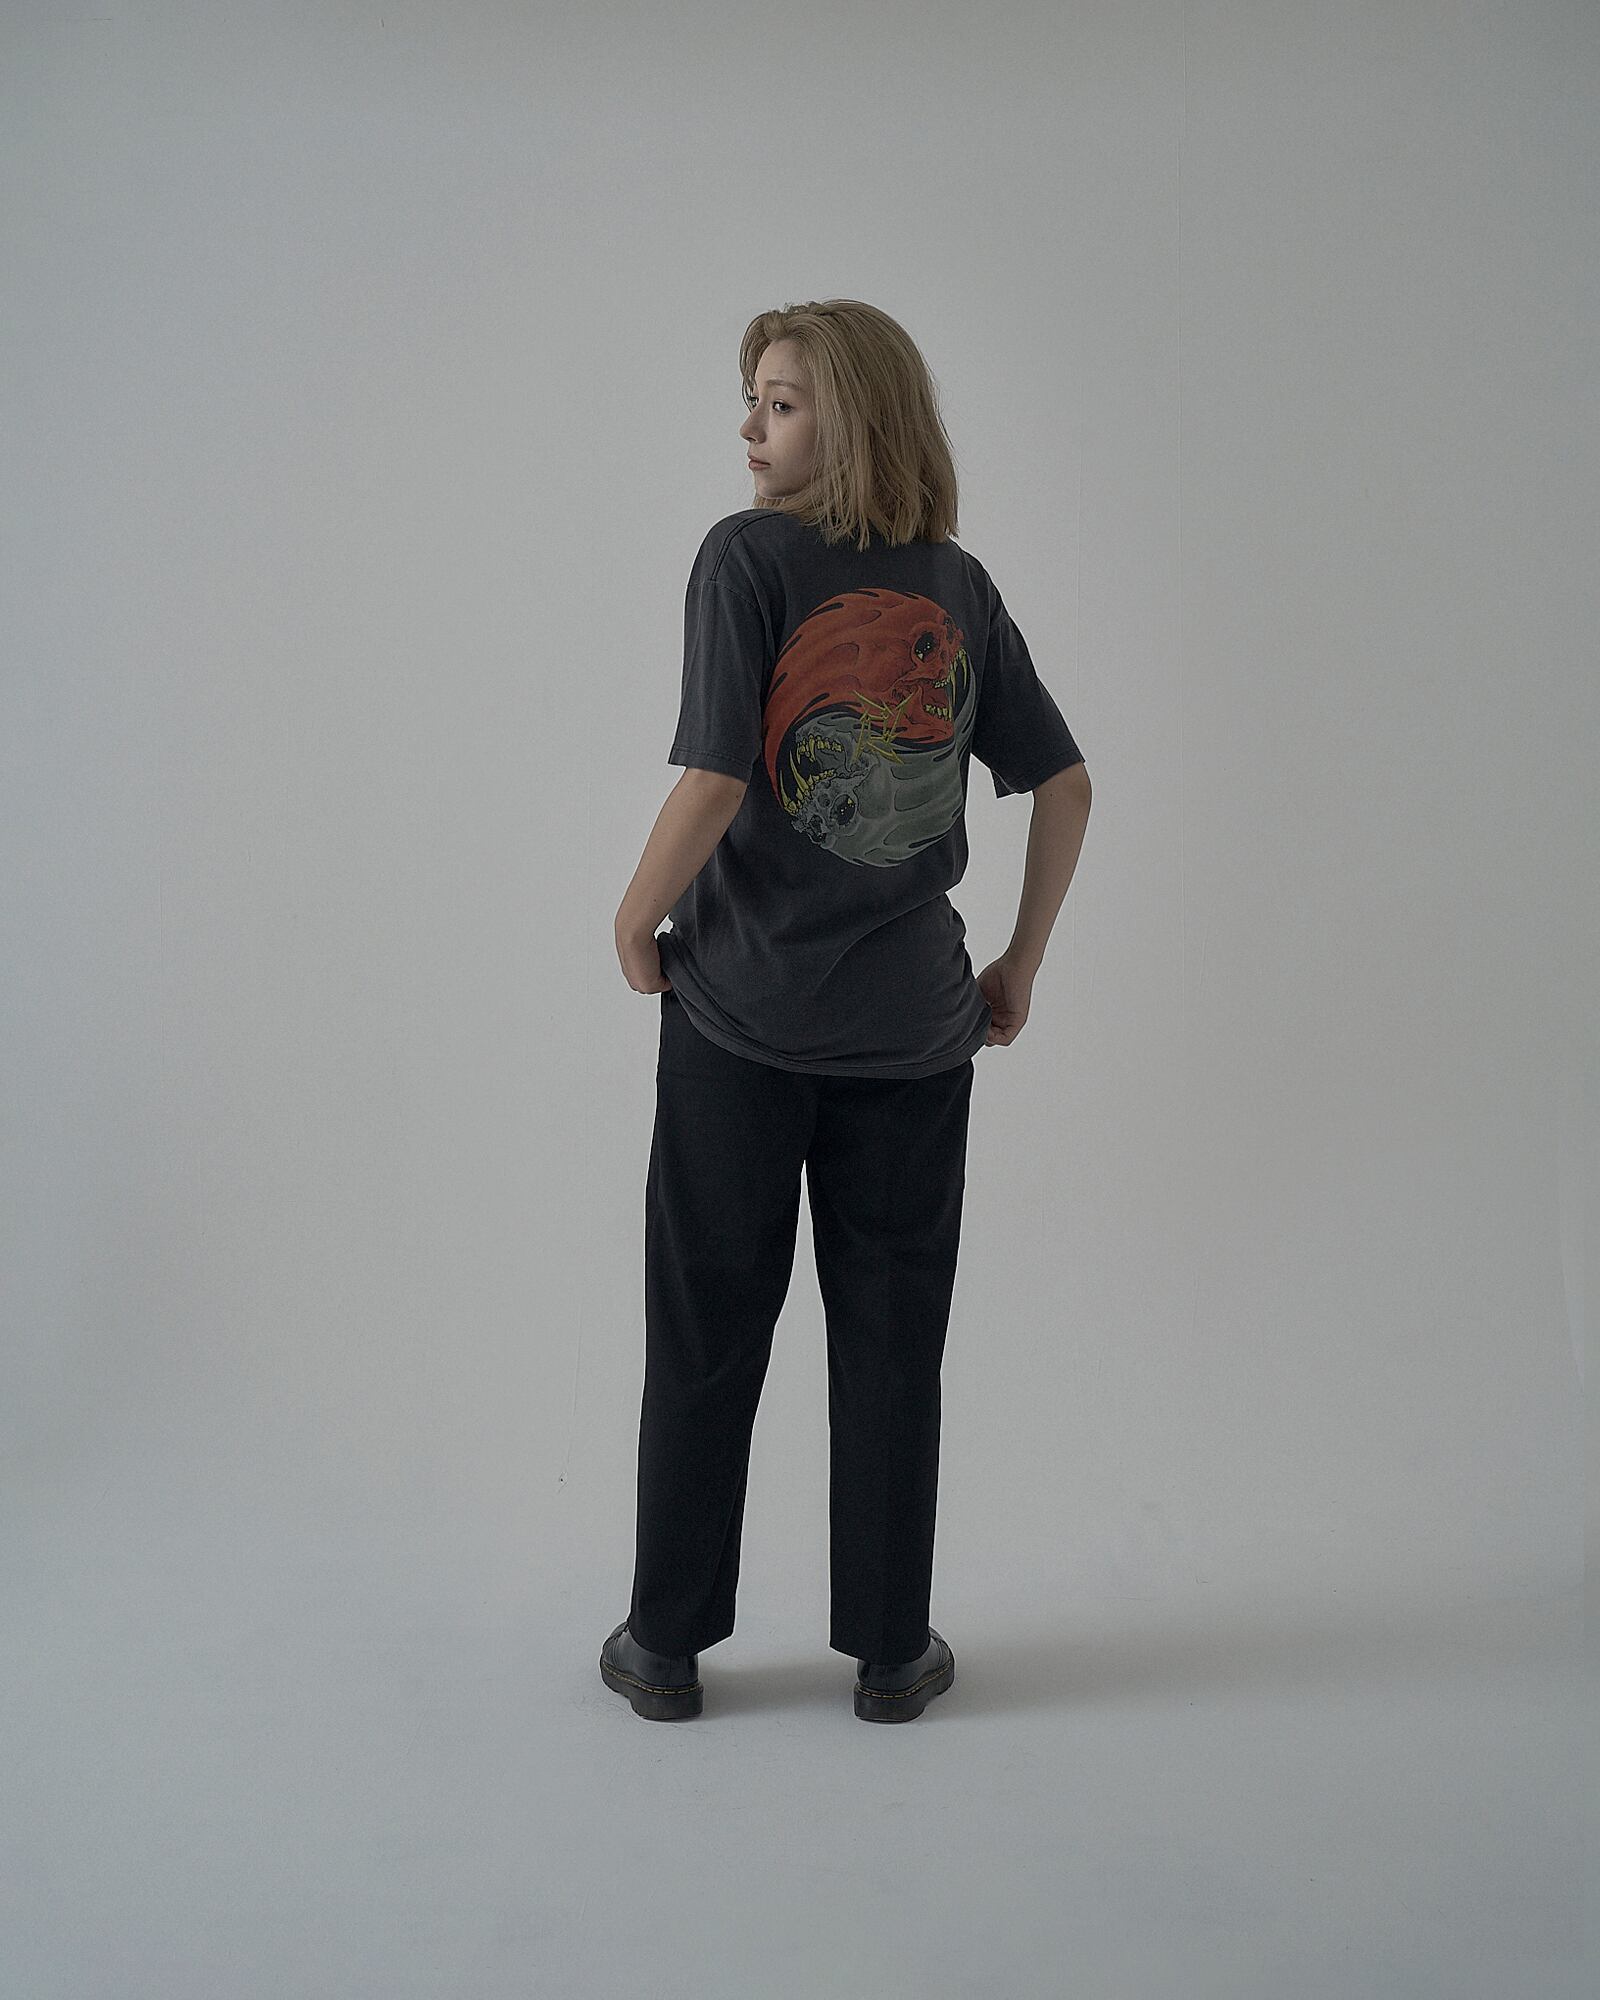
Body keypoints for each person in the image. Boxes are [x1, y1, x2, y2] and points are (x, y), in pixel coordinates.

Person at [600, 299, 1092, 1723]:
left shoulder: (744, 558)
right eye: (753, 401)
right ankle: (890, 1653)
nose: (751, 430)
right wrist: (1019, 964)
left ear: (855, 419)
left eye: (781, 402)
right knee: (891, 1342)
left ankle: (665, 1646)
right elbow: (1065, 783)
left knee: (708, 1329)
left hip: (740, 1026)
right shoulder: (959, 582)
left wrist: (632, 923)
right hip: (917, 1041)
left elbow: (713, 778)